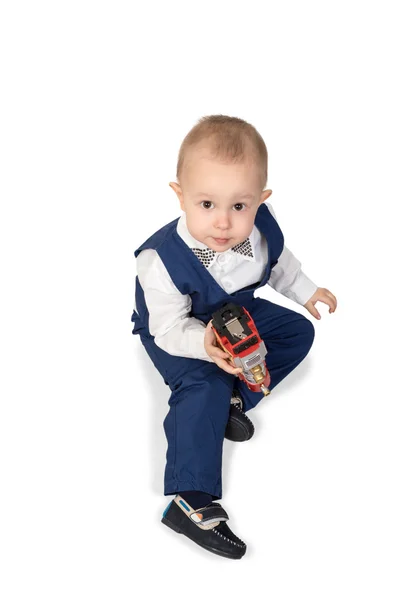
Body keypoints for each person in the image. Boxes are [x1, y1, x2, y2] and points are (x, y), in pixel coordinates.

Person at [130, 114, 337, 559]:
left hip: (235, 311)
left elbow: (280, 263)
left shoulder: (261, 227)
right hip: (182, 328)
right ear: (180, 196)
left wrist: (305, 292)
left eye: (239, 207)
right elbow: (165, 327)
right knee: (201, 385)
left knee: (297, 333)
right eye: (207, 205)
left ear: (260, 201)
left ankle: (237, 399)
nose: (223, 222)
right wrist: (204, 346)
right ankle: (191, 500)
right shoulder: (159, 261)